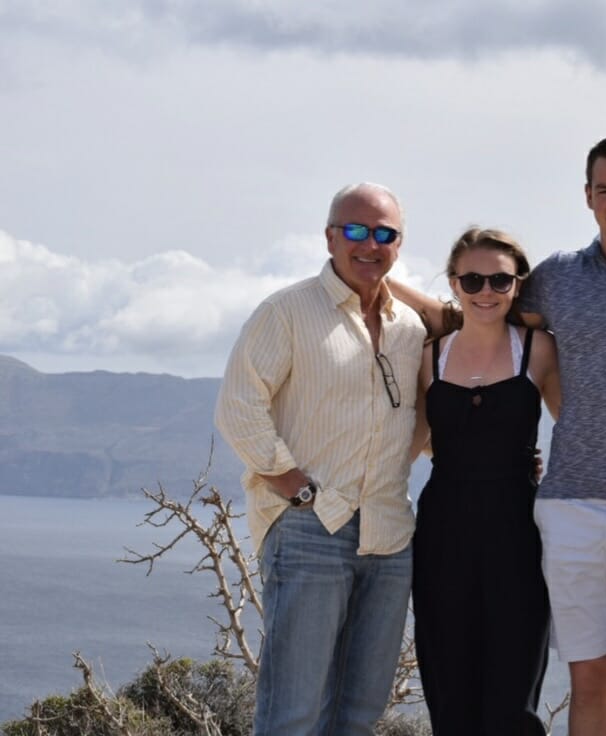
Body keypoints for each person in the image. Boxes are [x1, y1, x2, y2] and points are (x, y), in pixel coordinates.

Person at [388, 135, 606, 734]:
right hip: (569, 503)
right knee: (589, 677)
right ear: (587, 197)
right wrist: (378, 283)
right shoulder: (553, 277)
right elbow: (478, 309)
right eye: (605, 190)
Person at [214, 182, 427, 735]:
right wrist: (297, 488)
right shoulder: (286, 311)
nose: (369, 244)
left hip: (390, 535)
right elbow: (239, 406)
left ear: (399, 244)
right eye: (355, 230)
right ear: (330, 237)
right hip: (310, 527)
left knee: (360, 713)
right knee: (294, 713)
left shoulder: (411, 329)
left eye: (384, 234)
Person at [410, 227, 561, 735]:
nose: (485, 292)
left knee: (512, 696)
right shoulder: (430, 356)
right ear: (453, 283)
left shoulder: (540, 349)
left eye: (500, 280)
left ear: (518, 284)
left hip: (518, 532)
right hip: (442, 532)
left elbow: (579, 427)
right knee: (449, 687)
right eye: (472, 279)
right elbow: (403, 446)